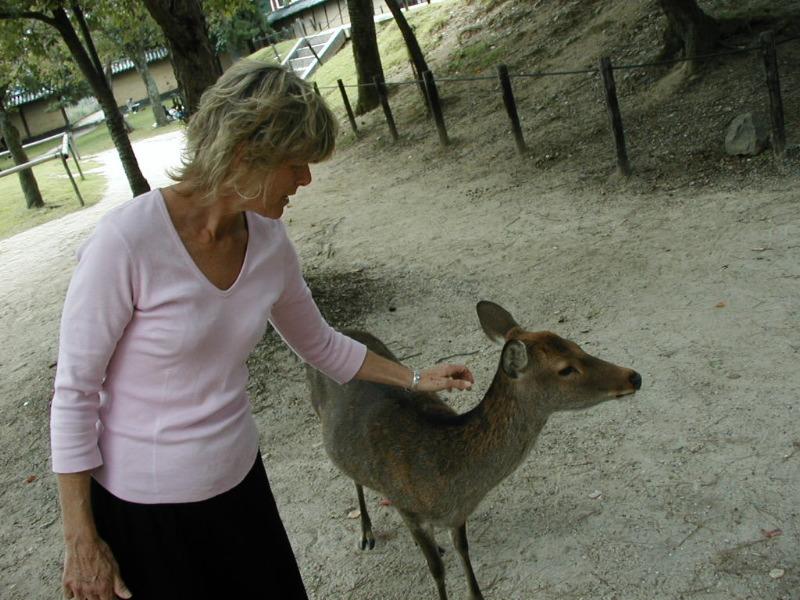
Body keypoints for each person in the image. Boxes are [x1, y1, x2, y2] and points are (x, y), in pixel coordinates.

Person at [51, 60, 474, 600]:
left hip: (239, 488)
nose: (306, 179)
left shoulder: (270, 242)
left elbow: (319, 343)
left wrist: (414, 378)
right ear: (246, 155)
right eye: (296, 164)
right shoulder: (126, 243)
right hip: (145, 515)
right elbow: (75, 394)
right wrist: (81, 538)